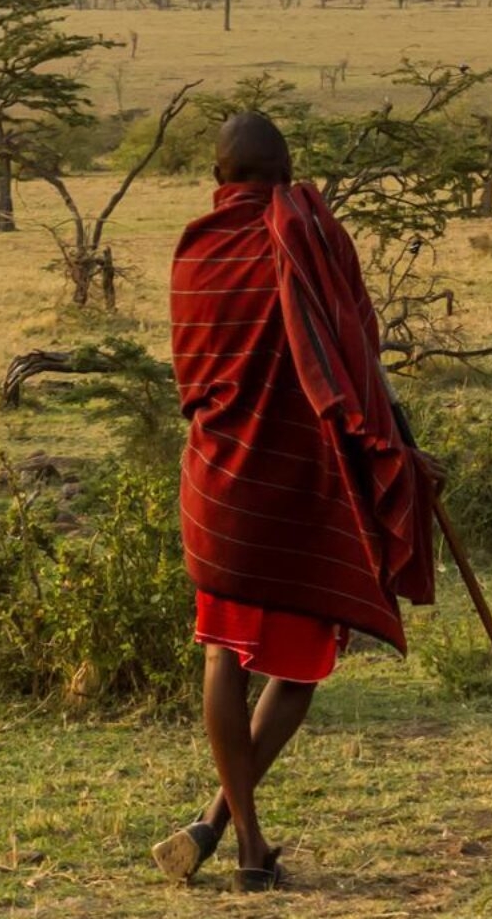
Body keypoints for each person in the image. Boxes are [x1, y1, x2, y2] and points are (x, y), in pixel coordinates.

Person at [154, 113, 436, 889]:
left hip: (216, 481)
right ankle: (243, 843)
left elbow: (190, 373)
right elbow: (352, 356)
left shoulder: (195, 249)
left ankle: (227, 829)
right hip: (294, 483)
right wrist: (395, 444)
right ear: (283, 174)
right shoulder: (305, 235)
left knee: (223, 651)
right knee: (303, 666)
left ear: (219, 180)